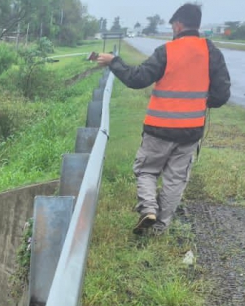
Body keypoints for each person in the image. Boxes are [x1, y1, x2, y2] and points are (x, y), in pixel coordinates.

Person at [95, 4, 230, 235]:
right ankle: (160, 227)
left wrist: (113, 61)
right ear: (196, 25)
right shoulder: (212, 52)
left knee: (147, 170)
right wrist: (201, 102)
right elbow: (221, 94)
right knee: (175, 179)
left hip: (158, 129)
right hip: (190, 131)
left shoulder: (167, 51)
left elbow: (137, 79)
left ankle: (148, 209)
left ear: (178, 25)